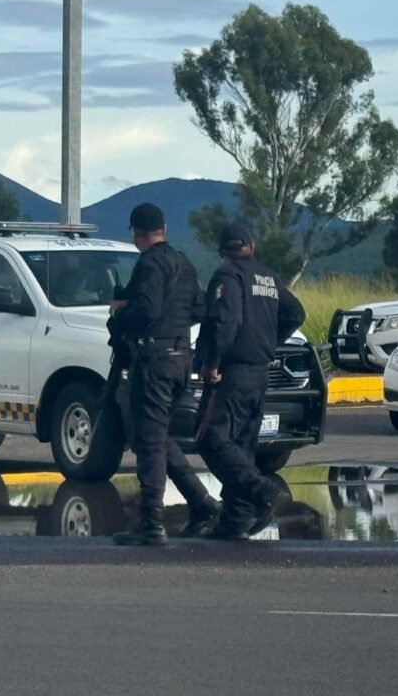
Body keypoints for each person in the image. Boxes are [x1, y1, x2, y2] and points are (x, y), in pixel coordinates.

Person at [110, 203, 220, 546]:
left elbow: (146, 310)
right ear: (164, 228)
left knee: (150, 443)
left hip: (155, 362)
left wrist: (120, 315)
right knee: (155, 436)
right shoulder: (184, 263)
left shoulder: (150, 263)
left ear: (136, 233)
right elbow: (200, 308)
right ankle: (202, 503)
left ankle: (152, 524)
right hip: (180, 360)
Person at [195, 223, 306, 540]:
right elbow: (295, 313)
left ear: (221, 252)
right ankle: (234, 522)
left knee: (209, 437)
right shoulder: (269, 278)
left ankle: (260, 490)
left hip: (231, 372)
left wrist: (213, 362)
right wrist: (268, 339)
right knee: (241, 444)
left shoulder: (228, 277)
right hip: (260, 372)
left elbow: (225, 321)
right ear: (252, 247)